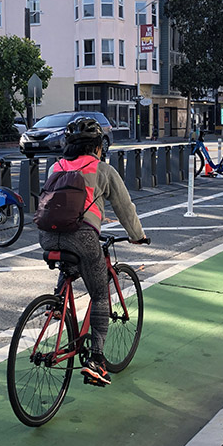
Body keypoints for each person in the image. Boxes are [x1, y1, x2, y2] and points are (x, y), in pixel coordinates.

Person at [38, 117, 147, 386]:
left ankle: (57, 302)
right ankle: (96, 359)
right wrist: (137, 236)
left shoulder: (56, 167)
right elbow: (124, 207)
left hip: (47, 236)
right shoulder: (102, 170)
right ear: (99, 147)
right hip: (84, 236)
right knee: (99, 294)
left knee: (70, 262)